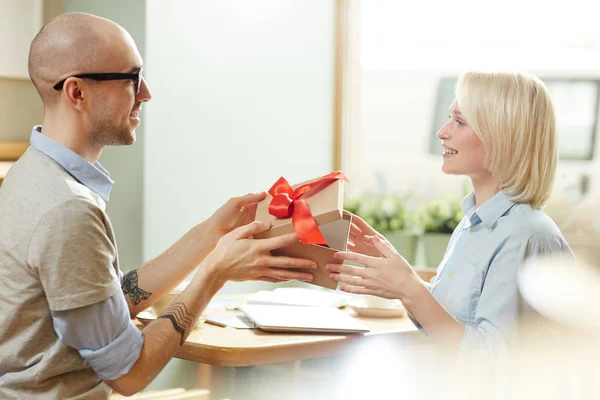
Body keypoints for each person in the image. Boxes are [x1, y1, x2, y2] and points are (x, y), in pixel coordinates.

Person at [0, 12, 317, 399]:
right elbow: (130, 374)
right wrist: (214, 275)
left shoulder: (31, 174)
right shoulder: (67, 210)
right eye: (132, 79)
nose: (145, 92)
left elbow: (102, 307)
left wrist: (210, 233)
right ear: (77, 92)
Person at [327, 71, 573, 357]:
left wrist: (410, 289)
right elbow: (453, 324)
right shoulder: (475, 223)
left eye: (459, 121)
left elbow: (493, 365)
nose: (442, 132)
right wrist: (401, 282)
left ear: (501, 135)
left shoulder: (523, 234)